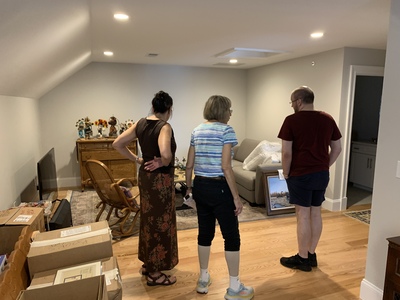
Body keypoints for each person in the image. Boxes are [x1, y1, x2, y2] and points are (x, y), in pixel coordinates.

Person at [185, 95, 254, 300]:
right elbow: (226, 166)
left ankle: (203, 279)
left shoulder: (196, 130)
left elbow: (189, 165)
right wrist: (236, 197)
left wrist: (189, 188)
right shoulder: (227, 131)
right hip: (220, 188)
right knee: (231, 236)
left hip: (201, 186)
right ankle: (234, 288)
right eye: (230, 110)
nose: (231, 113)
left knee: (205, 233)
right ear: (223, 111)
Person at [113, 91, 178, 285]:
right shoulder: (164, 126)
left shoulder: (140, 123)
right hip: (160, 182)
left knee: (149, 221)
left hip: (146, 178)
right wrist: (161, 162)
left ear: (153, 107)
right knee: (161, 223)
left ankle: (149, 264)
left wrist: (138, 160)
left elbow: (118, 143)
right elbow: (166, 154)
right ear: (169, 109)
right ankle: (155, 274)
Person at [278, 86, 342, 272]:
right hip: (321, 175)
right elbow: (337, 148)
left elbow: (286, 153)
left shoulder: (291, 121)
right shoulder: (327, 119)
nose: (292, 106)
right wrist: (324, 166)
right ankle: (312, 254)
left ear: (298, 101)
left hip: (300, 175)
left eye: (292, 103)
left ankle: (302, 258)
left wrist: (286, 173)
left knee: (303, 215)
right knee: (316, 213)